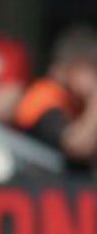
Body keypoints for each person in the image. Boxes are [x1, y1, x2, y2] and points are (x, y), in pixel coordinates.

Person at [12, 27, 97, 169]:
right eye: (93, 68)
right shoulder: (43, 96)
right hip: (33, 183)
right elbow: (78, 146)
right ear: (75, 68)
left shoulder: (76, 101)